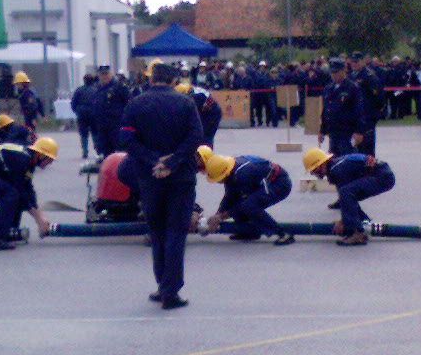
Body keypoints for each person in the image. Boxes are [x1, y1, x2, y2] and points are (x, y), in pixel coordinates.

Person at [120, 62, 203, 310]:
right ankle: (171, 291)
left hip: (149, 177)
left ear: (151, 79)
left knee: (157, 233)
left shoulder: (136, 103)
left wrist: (152, 160)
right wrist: (173, 160)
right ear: (173, 80)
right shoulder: (186, 103)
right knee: (176, 233)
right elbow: (196, 136)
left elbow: (125, 138)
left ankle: (161, 286)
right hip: (181, 177)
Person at [0, 138, 58, 251]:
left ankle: (8, 231)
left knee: (14, 195)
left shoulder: (29, 160)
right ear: (41, 155)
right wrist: (39, 219)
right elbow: (21, 190)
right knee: (11, 195)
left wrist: (40, 215)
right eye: (50, 159)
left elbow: (28, 188)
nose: (50, 163)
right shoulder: (22, 159)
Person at [303, 147, 395, 246]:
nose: (314, 174)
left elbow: (346, 195)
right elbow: (347, 200)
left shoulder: (338, 170)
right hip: (382, 174)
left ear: (322, 164)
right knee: (347, 194)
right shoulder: (335, 167)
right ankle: (362, 223)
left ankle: (357, 233)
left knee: (346, 192)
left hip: (383, 177)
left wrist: (345, 221)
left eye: (314, 170)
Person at [203, 154, 295, 246]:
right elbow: (229, 196)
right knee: (239, 201)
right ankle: (250, 232)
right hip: (265, 181)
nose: (218, 182)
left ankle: (283, 234)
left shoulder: (243, 174)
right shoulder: (231, 170)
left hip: (280, 183)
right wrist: (218, 214)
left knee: (249, 206)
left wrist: (221, 217)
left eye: (218, 179)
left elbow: (242, 204)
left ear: (225, 173)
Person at [319, 58, 365, 156]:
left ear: (344, 71)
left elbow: (359, 111)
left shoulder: (352, 88)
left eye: (336, 72)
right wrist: (322, 130)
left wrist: (359, 131)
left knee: (347, 161)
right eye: (332, 72)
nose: (333, 75)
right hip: (333, 132)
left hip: (347, 132)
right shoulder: (328, 88)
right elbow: (326, 110)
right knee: (333, 162)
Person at [349, 51, 384, 156]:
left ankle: (370, 172)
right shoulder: (351, 76)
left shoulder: (369, 76)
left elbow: (379, 98)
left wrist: (373, 116)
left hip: (367, 118)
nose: (354, 64)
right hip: (355, 119)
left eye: (357, 62)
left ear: (363, 62)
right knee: (355, 151)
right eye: (352, 62)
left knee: (367, 151)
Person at [93, 65, 130, 158]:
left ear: (111, 74)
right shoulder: (98, 88)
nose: (104, 76)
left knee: (119, 154)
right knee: (106, 154)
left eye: (106, 74)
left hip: (116, 126)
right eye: (102, 74)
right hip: (102, 127)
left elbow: (129, 104)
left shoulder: (119, 87)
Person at [71, 73, 98, 159]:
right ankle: (98, 150)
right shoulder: (96, 90)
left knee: (83, 134)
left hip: (82, 114)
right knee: (95, 133)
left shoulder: (79, 90)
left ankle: (85, 151)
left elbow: (73, 103)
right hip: (94, 114)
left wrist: (77, 111)